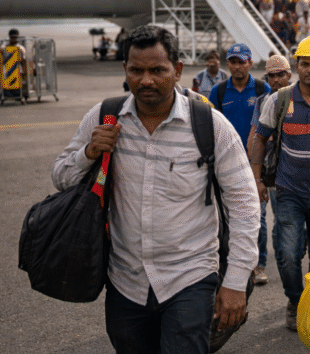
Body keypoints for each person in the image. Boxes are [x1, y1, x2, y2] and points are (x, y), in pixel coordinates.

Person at [51, 25, 259, 353]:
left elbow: (245, 204)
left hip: (190, 278)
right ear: (125, 71)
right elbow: (61, 177)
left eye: (157, 70)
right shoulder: (105, 116)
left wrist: (235, 282)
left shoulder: (209, 124)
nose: (146, 80)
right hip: (125, 282)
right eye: (136, 70)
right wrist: (87, 154)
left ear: (177, 71)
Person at [249, 36, 310, 331]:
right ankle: (295, 300)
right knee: (288, 253)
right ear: (297, 66)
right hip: (288, 190)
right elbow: (259, 139)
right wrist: (257, 180)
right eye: (305, 64)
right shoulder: (278, 100)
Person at [246, 54, 293, 286]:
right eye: (271, 75)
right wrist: (254, 176)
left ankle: (289, 269)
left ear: (289, 75)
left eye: (280, 74)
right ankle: (260, 265)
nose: (275, 80)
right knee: (260, 218)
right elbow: (255, 137)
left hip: (291, 174)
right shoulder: (263, 101)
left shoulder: (297, 98)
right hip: (267, 171)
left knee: (284, 225)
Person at [209, 43, 268, 151]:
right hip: (227, 155)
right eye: (233, 62)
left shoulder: (263, 89)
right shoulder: (217, 91)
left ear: (250, 63)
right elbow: (210, 124)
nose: (237, 67)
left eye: (241, 62)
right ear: (228, 64)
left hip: (255, 156)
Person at [2, 28, 27, 99]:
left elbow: (23, 60)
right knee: (7, 87)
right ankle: (6, 95)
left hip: (17, 70)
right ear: (9, 37)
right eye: (12, 37)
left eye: (15, 37)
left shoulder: (20, 48)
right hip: (7, 71)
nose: (13, 39)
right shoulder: (4, 47)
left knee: (17, 87)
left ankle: (18, 95)